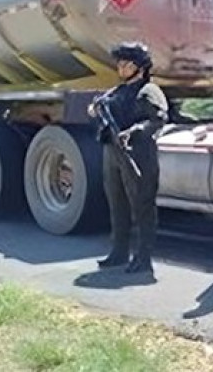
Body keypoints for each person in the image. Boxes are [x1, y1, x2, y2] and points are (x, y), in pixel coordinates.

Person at [88, 41, 169, 275]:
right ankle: (119, 252)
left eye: (126, 64)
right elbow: (101, 108)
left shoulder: (148, 91)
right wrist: (95, 111)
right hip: (112, 153)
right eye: (120, 64)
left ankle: (143, 257)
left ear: (140, 67)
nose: (121, 68)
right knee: (117, 204)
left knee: (142, 206)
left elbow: (158, 119)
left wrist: (134, 132)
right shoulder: (117, 91)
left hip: (138, 154)